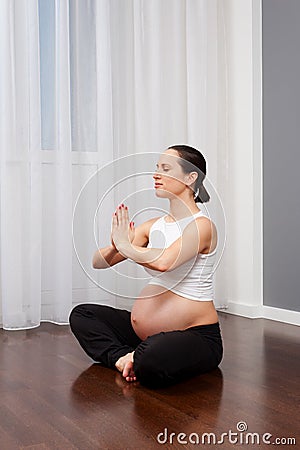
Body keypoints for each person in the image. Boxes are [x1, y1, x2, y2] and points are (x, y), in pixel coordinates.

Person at [69, 145, 223, 388]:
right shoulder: (153, 225)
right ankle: (123, 358)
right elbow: (98, 262)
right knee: (82, 314)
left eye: (165, 168)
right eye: (156, 168)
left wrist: (127, 246)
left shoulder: (202, 226)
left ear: (190, 177)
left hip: (196, 336)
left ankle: (137, 357)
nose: (156, 175)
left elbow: (164, 262)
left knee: (152, 356)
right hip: (145, 336)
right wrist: (114, 246)